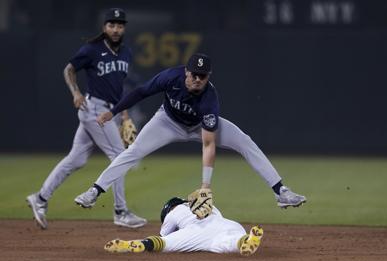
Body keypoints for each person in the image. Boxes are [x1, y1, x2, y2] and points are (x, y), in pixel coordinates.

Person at [74, 53, 306, 213]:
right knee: (134, 151)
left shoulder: (209, 101)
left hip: (198, 127)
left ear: (209, 76)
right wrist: (113, 112)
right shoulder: (170, 77)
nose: (197, 78)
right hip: (167, 122)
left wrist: (205, 185)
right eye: (193, 73)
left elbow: (208, 144)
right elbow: (141, 92)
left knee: (245, 142)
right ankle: (95, 191)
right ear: (186, 71)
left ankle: (280, 192)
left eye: (202, 76)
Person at [26, 8, 147, 230]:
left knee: (76, 159)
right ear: (104, 27)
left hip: (110, 110)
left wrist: (125, 111)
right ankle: (121, 211)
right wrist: (75, 92)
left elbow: (118, 84)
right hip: (94, 109)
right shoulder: (92, 50)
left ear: (124, 28)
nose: (115, 28)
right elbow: (69, 69)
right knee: (119, 157)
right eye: (111, 24)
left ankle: (40, 198)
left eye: (119, 25)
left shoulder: (126, 52)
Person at [104, 197, 264, 255]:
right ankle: (245, 240)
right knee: (225, 243)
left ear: (168, 210)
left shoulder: (173, 213)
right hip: (229, 224)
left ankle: (140, 243)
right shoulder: (199, 204)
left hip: (197, 232)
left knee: (165, 244)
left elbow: (164, 236)